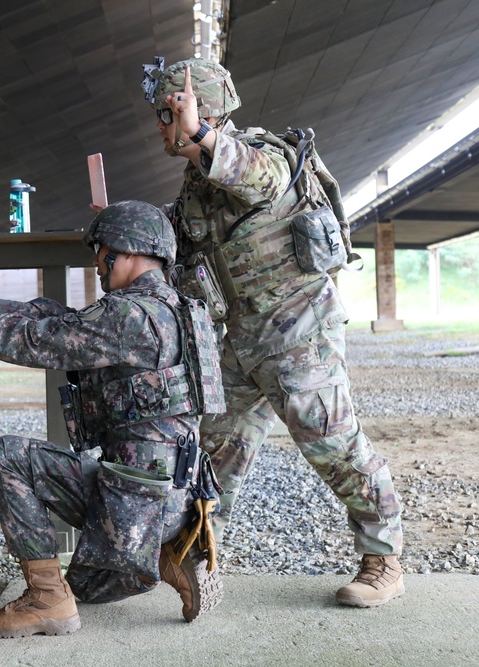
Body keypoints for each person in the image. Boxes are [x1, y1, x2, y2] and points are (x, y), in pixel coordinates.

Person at [140, 56, 405, 608]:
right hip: (236, 343)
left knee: (333, 443)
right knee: (211, 455)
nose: (162, 128)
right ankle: (199, 558)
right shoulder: (194, 187)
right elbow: (182, 251)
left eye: (167, 114)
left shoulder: (265, 154)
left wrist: (202, 132)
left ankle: (383, 560)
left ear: (196, 110)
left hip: (298, 334)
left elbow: (260, 181)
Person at [0, 200, 226, 638]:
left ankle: (48, 600)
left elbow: (41, 340)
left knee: (8, 456)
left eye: (101, 253)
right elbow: (68, 320)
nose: (98, 265)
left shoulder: (127, 315)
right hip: (181, 501)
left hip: (132, 508)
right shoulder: (181, 309)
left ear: (126, 251)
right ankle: (172, 553)